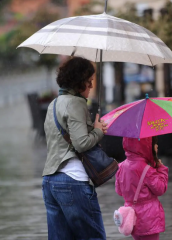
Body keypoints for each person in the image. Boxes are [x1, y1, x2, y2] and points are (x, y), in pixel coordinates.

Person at [42, 57, 108, 240]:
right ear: (79, 82)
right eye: (89, 82)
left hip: (50, 181)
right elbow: (81, 144)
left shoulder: (53, 104)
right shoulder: (76, 103)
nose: (91, 87)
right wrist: (98, 131)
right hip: (73, 180)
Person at [115, 136, 168, 240]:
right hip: (149, 219)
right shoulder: (147, 169)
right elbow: (160, 189)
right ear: (146, 146)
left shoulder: (121, 167)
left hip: (132, 218)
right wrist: (161, 169)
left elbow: (119, 191)